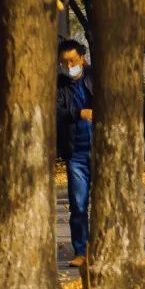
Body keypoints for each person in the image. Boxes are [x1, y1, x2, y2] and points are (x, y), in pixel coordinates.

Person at [57, 39, 93, 267]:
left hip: (101, 150)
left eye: (72, 60)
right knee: (78, 205)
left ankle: (102, 247)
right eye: (64, 62)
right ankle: (81, 251)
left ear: (82, 58)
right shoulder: (60, 84)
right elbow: (57, 109)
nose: (69, 66)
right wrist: (78, 113)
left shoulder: (94, 77)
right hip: (76, 153)